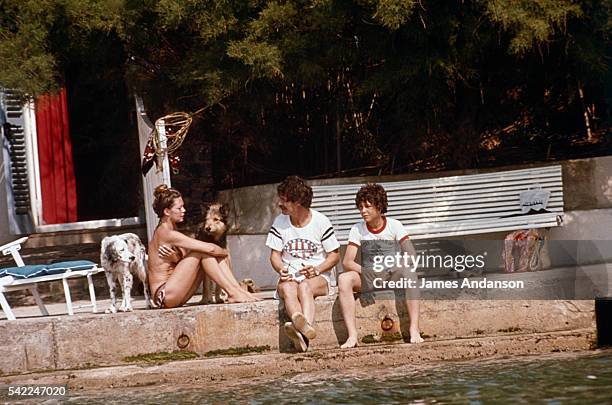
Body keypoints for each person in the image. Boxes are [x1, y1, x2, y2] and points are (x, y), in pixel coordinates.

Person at [338, 183, 424, 348]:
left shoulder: (394, 225)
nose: (363, 211)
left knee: (410, 273)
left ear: (379, 207)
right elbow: (347, 261)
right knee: (344, 279)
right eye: (361, 207)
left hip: (391, 275)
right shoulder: (357, 229)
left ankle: (414, 329)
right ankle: (352, 336)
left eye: (367, 207)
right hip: (368, 277)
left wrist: (394, 267)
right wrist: (365, 271)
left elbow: (411, 255)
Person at [148, 185, 258, 308]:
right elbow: (209, 249)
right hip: (163, 296)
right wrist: (225, 252)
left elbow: (184, 262)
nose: (184, 210)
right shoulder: (165, 232)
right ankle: (233, 293)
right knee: (204, 251)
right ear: (167, 211)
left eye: (183, 206)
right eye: (179, 208)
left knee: (210, 254)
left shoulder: (172, 229)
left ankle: (237, 292)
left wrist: (175, 258)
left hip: (175, 293)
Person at [266, 176, 340, 352]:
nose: (279, 204)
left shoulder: (321, 221)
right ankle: (303, 333)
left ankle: (302, 330)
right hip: (290, 276)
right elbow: (274, 256)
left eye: (283, 200)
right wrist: (281, 269)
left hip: (317, 277)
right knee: (289, 288)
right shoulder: (280, 222)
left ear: (297, 201)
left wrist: (317, 269)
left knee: (305, 287)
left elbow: (334, 256)